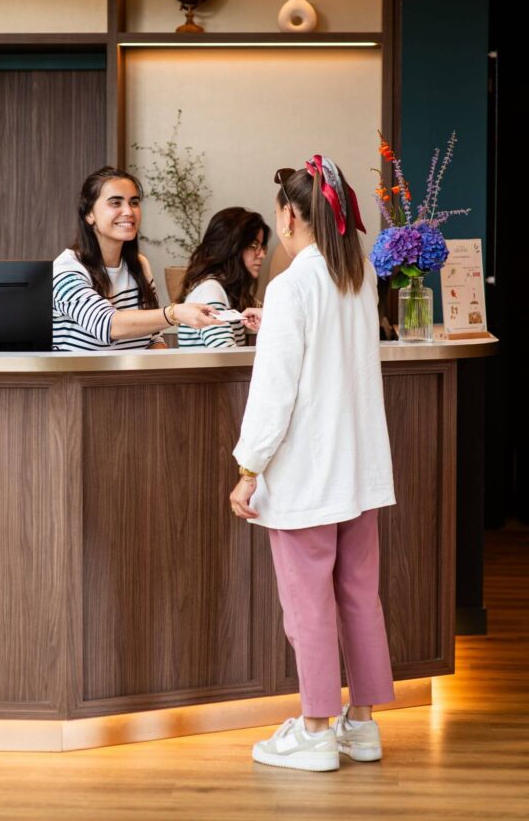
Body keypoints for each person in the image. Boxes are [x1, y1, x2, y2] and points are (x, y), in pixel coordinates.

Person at [230, 155, 396, 772]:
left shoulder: (291, 285)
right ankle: (362, 725)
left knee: (309, 605)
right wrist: (272, 322)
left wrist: (248, 469)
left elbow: (274, 395)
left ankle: (316, 730)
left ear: (290, 216)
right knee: (359, 596)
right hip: (359, 471)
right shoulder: (360, 276)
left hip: (308, 475)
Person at [53, 166, 217, 351]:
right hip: (80, 372)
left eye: (134, 202)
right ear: (89, 214)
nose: (129, 211)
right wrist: (175, 313)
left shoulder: (140, 264)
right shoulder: (66, 269)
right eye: (116, 203)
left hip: (135, 371)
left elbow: (153, 337)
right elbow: (108, 325)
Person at [177, 207, 270, 349]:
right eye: (253, 245)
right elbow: (227, 355)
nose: (262, 254)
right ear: (230, 247)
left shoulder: (228, 291)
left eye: (262, 246)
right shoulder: (210, 291)